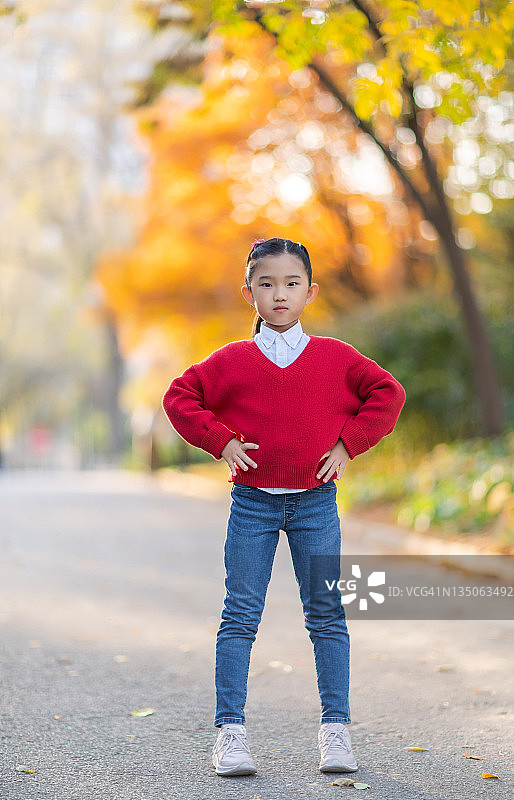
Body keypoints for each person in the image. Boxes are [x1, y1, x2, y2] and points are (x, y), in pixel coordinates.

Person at [162, 237, 406, 778]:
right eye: (266, 284)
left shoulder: (337, 358)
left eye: (291, 284)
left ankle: (336, 731)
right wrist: (220, 440)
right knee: (239, 616)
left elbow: (388, 393)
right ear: (248, 292)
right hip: (252, 504)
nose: (279, 294)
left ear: (310, 292)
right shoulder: (232, 361)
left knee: (326, 615)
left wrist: (348, 444)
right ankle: (230, 734)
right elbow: (180, 396)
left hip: (315, 505)